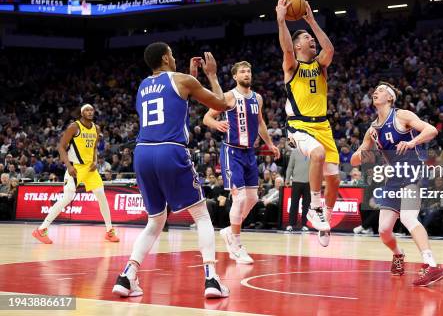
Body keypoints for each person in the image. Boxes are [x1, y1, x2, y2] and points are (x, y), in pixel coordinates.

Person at [111, 43, 230, 299]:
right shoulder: (183, 80)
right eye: (172, 54)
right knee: (201, 214)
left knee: (155, 221)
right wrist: (211, 75)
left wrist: (191, 78)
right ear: (166, 57)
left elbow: (177, 101)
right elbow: (220, 104)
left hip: (142, 153)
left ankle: (127, 275)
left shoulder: (143, 85)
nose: (174, 58)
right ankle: (211, 279)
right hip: (170, 150)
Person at [351, 82, 443, 286]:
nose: (376, 92)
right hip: (393, 178)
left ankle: (431, 265)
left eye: (381, 90)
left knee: (408, 217)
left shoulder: (402, 115)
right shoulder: (372, 129)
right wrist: (363, 155)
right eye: (374, 90)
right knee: (384, 230)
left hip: (413, 171)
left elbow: (431, 131)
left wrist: (412, 142)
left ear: (390, 98)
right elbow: (355, 159)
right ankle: (398, 254)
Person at [276, 0, 340, 246]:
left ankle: (326, 218)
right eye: (306, 38)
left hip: (323, 125)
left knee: (334, 177)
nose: (311, 41)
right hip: (299, 125)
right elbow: (286, 48)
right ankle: (314, 207)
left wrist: (312, 21)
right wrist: (282, 21)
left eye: (311, 39)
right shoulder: (291, 66)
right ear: (297, 46)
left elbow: (330, 49)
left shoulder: (320, 65)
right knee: (317, 153)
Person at [203, 61, 280, 264]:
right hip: (232, 152)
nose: (247, 73)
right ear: (235, 77)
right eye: (243, 71)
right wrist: (216, 123)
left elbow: (261, 122)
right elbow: (207, 118)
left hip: (249, 154)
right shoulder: (229, 96)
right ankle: (235, 245)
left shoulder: (258, 98)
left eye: (249, 70)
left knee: (253, 198)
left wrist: (270, 144)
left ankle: (230, 230)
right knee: (239, 199)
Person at [32, 104, 119, 244]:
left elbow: (94, 148)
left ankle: (109, 231)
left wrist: (95, 161)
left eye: (91, 110)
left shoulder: (96, 128)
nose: (90, 112)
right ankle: (41, 229)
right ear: (81, 113)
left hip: (90, 169)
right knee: (67, 197)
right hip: (76, 168)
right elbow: (60, 147)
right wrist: (68, 165)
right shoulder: (74, 127)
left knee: (102, 196)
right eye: (87, 110)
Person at [285, 147, 311, 232]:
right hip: (296, 182)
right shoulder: (294, 152)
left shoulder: (312, 151)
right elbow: (290, 167)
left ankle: (304, 224)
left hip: (309, 182)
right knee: (294, 204)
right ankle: (291, 224)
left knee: (306, 205)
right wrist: (287, 179)